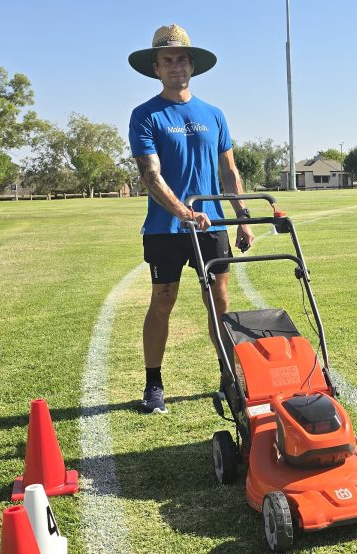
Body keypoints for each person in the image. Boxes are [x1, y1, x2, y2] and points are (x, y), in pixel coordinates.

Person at [127, 24, 255, 414]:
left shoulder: (214, 115)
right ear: (156, 67)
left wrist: (242, 216)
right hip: (166, 229)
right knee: (162, 301)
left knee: (218, 302)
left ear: (192, 66)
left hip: (211, 226)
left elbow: (229, 171)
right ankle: (154, 385)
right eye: (167, 60)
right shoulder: (145, 115)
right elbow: (151, 176)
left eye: (182, 59)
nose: (176, 66)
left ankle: (228, 376)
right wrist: (184, 212)